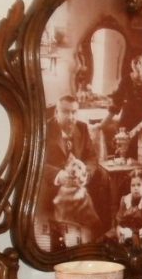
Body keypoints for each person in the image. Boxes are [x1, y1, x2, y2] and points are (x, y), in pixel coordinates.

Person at [41, 94, 109, 244]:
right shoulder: (44, 129)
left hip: (79, 181)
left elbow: (91, 157)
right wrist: (58, 175)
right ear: (56, 112)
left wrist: (85, 173)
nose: (71, 117)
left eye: (74, 112)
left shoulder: (82, 128)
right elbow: (38, 163)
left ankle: (101, 235)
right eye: (66, 112)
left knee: (103, 175)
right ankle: (59, 237)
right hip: (54, 183)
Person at [114, 169, 142, 243]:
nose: (136, 188)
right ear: (129, 187)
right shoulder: (125, 199)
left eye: (139, 185)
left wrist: (137, 234)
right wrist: (119, 229)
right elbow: (120, 220)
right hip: (127, 230)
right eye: (133, 185)